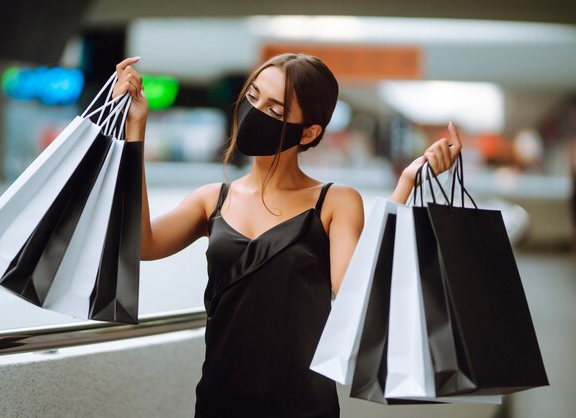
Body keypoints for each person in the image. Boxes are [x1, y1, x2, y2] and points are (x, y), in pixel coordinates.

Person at [112, 54, 462, 418]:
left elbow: (353, 295)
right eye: (253, 97)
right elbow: (142, 244)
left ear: (309, 132)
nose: (255, 111)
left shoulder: (335, 202)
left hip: (302, 404)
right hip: (220, 398)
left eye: (275, 109)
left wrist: (405, 186)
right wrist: (136, 128)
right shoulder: (212, 199)